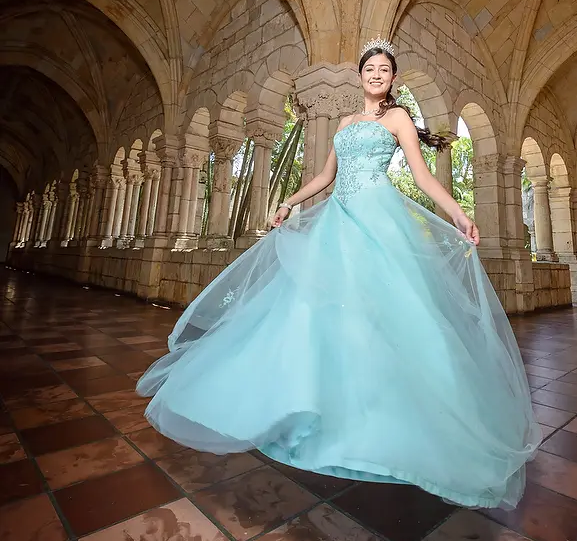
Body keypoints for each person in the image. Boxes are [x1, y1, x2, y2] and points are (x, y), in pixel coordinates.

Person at [137, 40, 540, 509]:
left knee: (389, 316)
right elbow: (325, 176)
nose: (375, 74)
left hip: (378, 219)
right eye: (369, 68)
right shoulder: (345, 123)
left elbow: (423, 175)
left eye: (384, 69)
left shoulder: (397, 119)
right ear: (360, 76)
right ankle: (310, 406)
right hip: (337, 219)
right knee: (313, 311)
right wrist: (289, 201)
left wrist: (458, 214)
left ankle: (383, 422)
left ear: (392, 78)